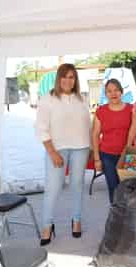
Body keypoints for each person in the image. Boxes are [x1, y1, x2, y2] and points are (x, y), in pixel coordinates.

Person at [34, 63, 91, 246]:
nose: (68, 80)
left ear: (76, 80)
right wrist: (52, 152)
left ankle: (76, 220)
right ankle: (47, 225)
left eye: (72, 77)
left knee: (77, 186)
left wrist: (89, 149)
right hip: (56, 150)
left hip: (81, 148)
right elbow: (41, 128)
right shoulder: (47, 99)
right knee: (53, 188)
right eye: (64, 77)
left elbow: (87, 126)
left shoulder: (81, 99)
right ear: (58, 79)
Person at [92, 79, 132, 204]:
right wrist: (97, 159)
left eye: (116, 90)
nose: (113, 93)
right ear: (106, 94)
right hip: (107, 156)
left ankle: (129, 215)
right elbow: (95, 135)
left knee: (128, 188)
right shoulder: (101, 111)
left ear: (121, 92)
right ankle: (116, 216)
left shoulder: (132, 109)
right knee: (113, 187)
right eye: (109, 91)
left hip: (127, 155)